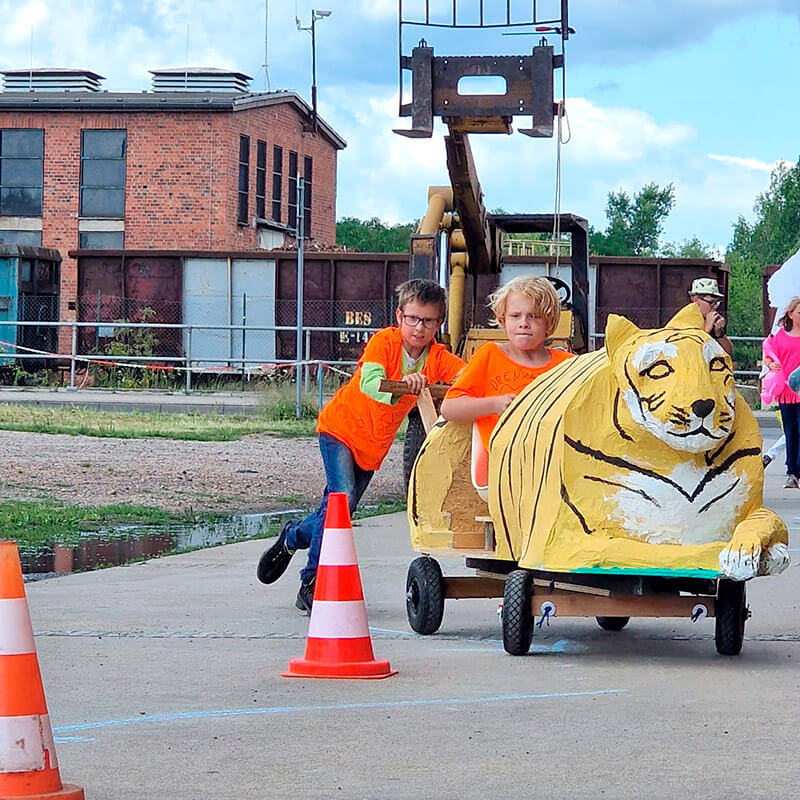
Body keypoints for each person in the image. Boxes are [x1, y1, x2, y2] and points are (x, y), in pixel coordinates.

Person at [256, 278, 465, 612]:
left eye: (427, 321)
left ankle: (293, 536)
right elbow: (369, 383)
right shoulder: (384, 342)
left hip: (372, 447)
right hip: (340, 430)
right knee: (342, 501)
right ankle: (310, 583)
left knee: (339, 511)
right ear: (400, 316)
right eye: (412, 318)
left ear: (438, 324)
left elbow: (467, 377)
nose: (418, 328)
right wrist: (403, 386)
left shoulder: (437, 357)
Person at [440, 276, 573, 451]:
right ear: (503, 320)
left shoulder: (567, 365)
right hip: (498, 463)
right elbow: (449, 408)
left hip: (551, 460)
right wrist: (494, 405)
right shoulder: (490, 355)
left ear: (549, 323)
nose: (523, 323)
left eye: (533, 316)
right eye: (515, 316)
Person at [763, 296, 800, 488]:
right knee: (791, 432)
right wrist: (771, 364)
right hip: (786, 392)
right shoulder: (780, 337)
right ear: (790, 314)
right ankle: (792, 471)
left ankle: (797, 469)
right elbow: (769, 356)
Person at [688, 277, 733, 356]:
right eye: (711, 302)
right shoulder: (685, 321)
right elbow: (691, 353)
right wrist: (707, 330)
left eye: (716, 303)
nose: (715, 307)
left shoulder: (711, 321)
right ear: (696, 299)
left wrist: (719, 334)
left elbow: (728, 353)